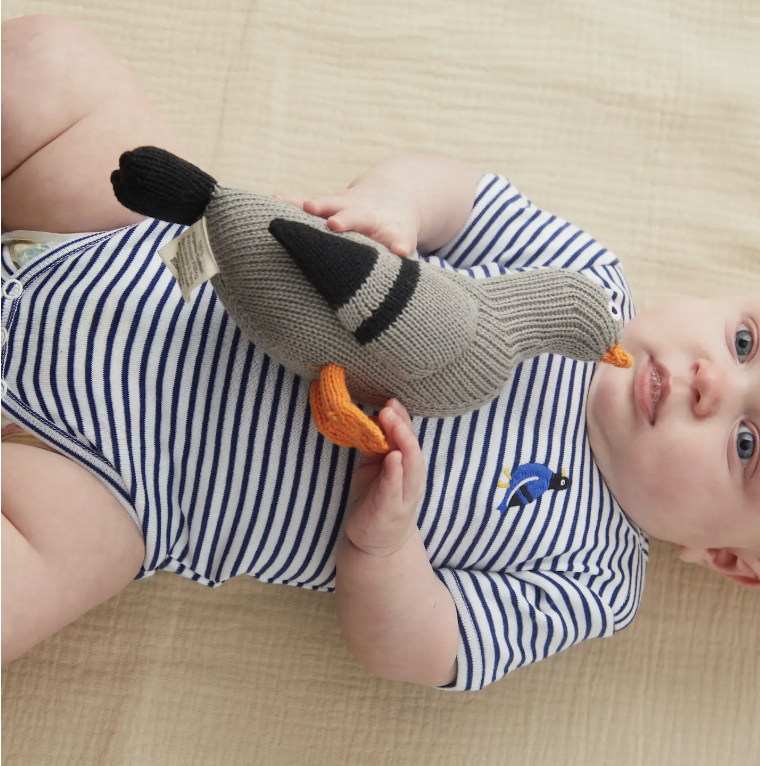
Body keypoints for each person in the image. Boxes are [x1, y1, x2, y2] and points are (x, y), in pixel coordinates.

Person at [2, 15, 758, 691]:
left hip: (116, 484)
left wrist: (385, 549)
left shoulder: (593, 576)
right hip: (147, 248)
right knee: (47, 63)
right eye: (745, 342)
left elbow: (429, 647)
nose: (711, 383)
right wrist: (394, 204)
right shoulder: (584, 279)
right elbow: (464, 197)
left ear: (729, 558)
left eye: (748, 442)